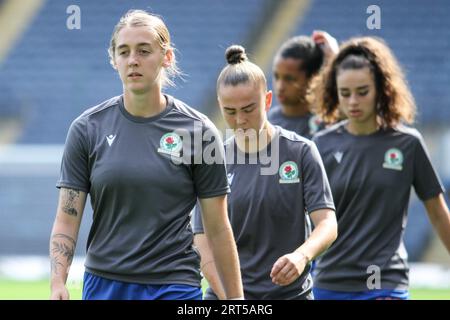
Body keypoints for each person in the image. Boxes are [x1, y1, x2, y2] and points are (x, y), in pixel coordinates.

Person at [49, 10, 243, 300]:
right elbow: (67, 218)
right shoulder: (86, 128)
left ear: (167, 57)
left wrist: (237, 300)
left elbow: (218, 227)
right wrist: (58, 283)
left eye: (144, 50)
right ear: (114, 59)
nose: (133, 60)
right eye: (124, 52)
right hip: (105, 284)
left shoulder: (200, 131)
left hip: (175, 284)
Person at [191, 45, 337, 300]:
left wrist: (301, 256)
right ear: (219, 105)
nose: (239, 120)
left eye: (248, 109)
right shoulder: (212, 158)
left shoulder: (301, 151)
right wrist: (232, 298)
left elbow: (327, 224)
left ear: (268, 100)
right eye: (230, 111)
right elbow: (202, 240)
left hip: (290, 295)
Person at [312, 36, 450, 300]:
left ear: (382, 90)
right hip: (329, 284)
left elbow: (438, 213)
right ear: (335, 93)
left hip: (385, 284)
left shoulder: (407, 144)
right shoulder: (321, 145)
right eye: (345, 93)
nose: (353, 101)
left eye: (363, 92)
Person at [268, 31, 339, 139]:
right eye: (276, 77)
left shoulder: (330, 123)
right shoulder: (266, 124)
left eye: (289, 79)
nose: (280, 87)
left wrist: (336, 61)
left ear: (313, 78)